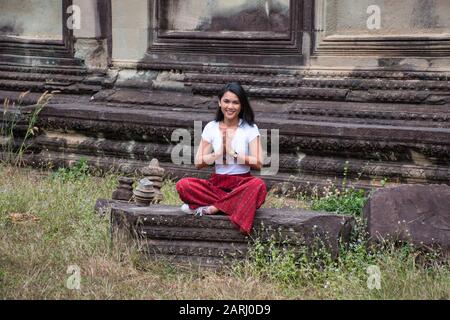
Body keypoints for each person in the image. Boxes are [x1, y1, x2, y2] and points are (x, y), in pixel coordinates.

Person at [175, 82, 267, 234]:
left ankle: (213, 208)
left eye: (235, 102)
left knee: (258, 186)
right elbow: (198, 162)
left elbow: (258, 162)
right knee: (183, 185)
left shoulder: (250, 128)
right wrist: (218, 154)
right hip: (217, 184)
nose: (230, 106)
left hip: (242, 183)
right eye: (226, 101)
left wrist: (233, 154)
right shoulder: (211, 127)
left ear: (241, 105)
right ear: (219, 102)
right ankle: (235, 204)